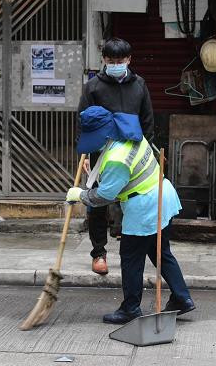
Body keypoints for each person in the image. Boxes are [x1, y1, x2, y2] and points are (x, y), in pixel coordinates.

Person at [67, 106, 195, 324]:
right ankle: (182, 298)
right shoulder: (129, 132)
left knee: (131, 258)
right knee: (161, 252)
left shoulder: (117, 158)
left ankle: (130, 309)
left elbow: (105, 195)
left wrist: (80, 195)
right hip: (162, 195)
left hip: (144, 207)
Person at [77, 37, 155, 276]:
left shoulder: (139, 85)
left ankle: (132, 252)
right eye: (111, 61)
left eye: (120, 61)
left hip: (133, 154)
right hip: (102, 154)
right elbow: (84, 121)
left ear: (129, 60)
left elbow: (147, 120)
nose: (116, 65)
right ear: (104, 60)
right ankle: (99, 253)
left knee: (132, 200)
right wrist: (86, 154)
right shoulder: (93, 87)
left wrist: (149, 150)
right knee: (98, 202)